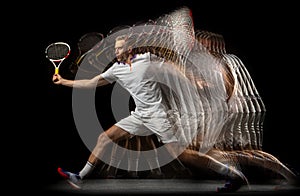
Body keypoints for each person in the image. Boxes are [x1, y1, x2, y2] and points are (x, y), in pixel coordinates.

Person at [53, 34, 247, 192]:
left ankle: (230, 173)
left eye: (119, 48)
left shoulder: (147, 60)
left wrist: (193, 80)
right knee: (105, 138)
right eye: (115, 48)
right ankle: (80, 176)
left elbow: (172, 68)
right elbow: (92, 82)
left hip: (160, 116)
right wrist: (64, 82)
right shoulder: (116, 69)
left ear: (130, 49)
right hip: (139, 116)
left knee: (182, 155)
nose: (116, 51)